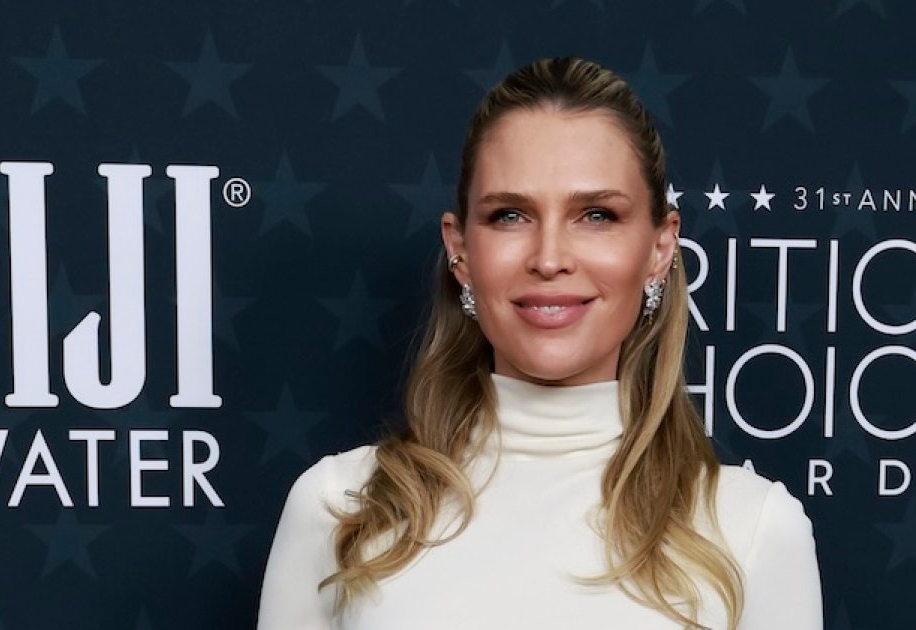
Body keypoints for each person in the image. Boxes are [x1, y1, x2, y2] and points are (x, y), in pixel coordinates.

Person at [257, 56, 822, 629]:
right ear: (460, 250)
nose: (549, 259)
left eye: (596, 215)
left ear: (659, 249)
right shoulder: (340, 508)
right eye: (510, 215)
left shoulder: (754, 532)